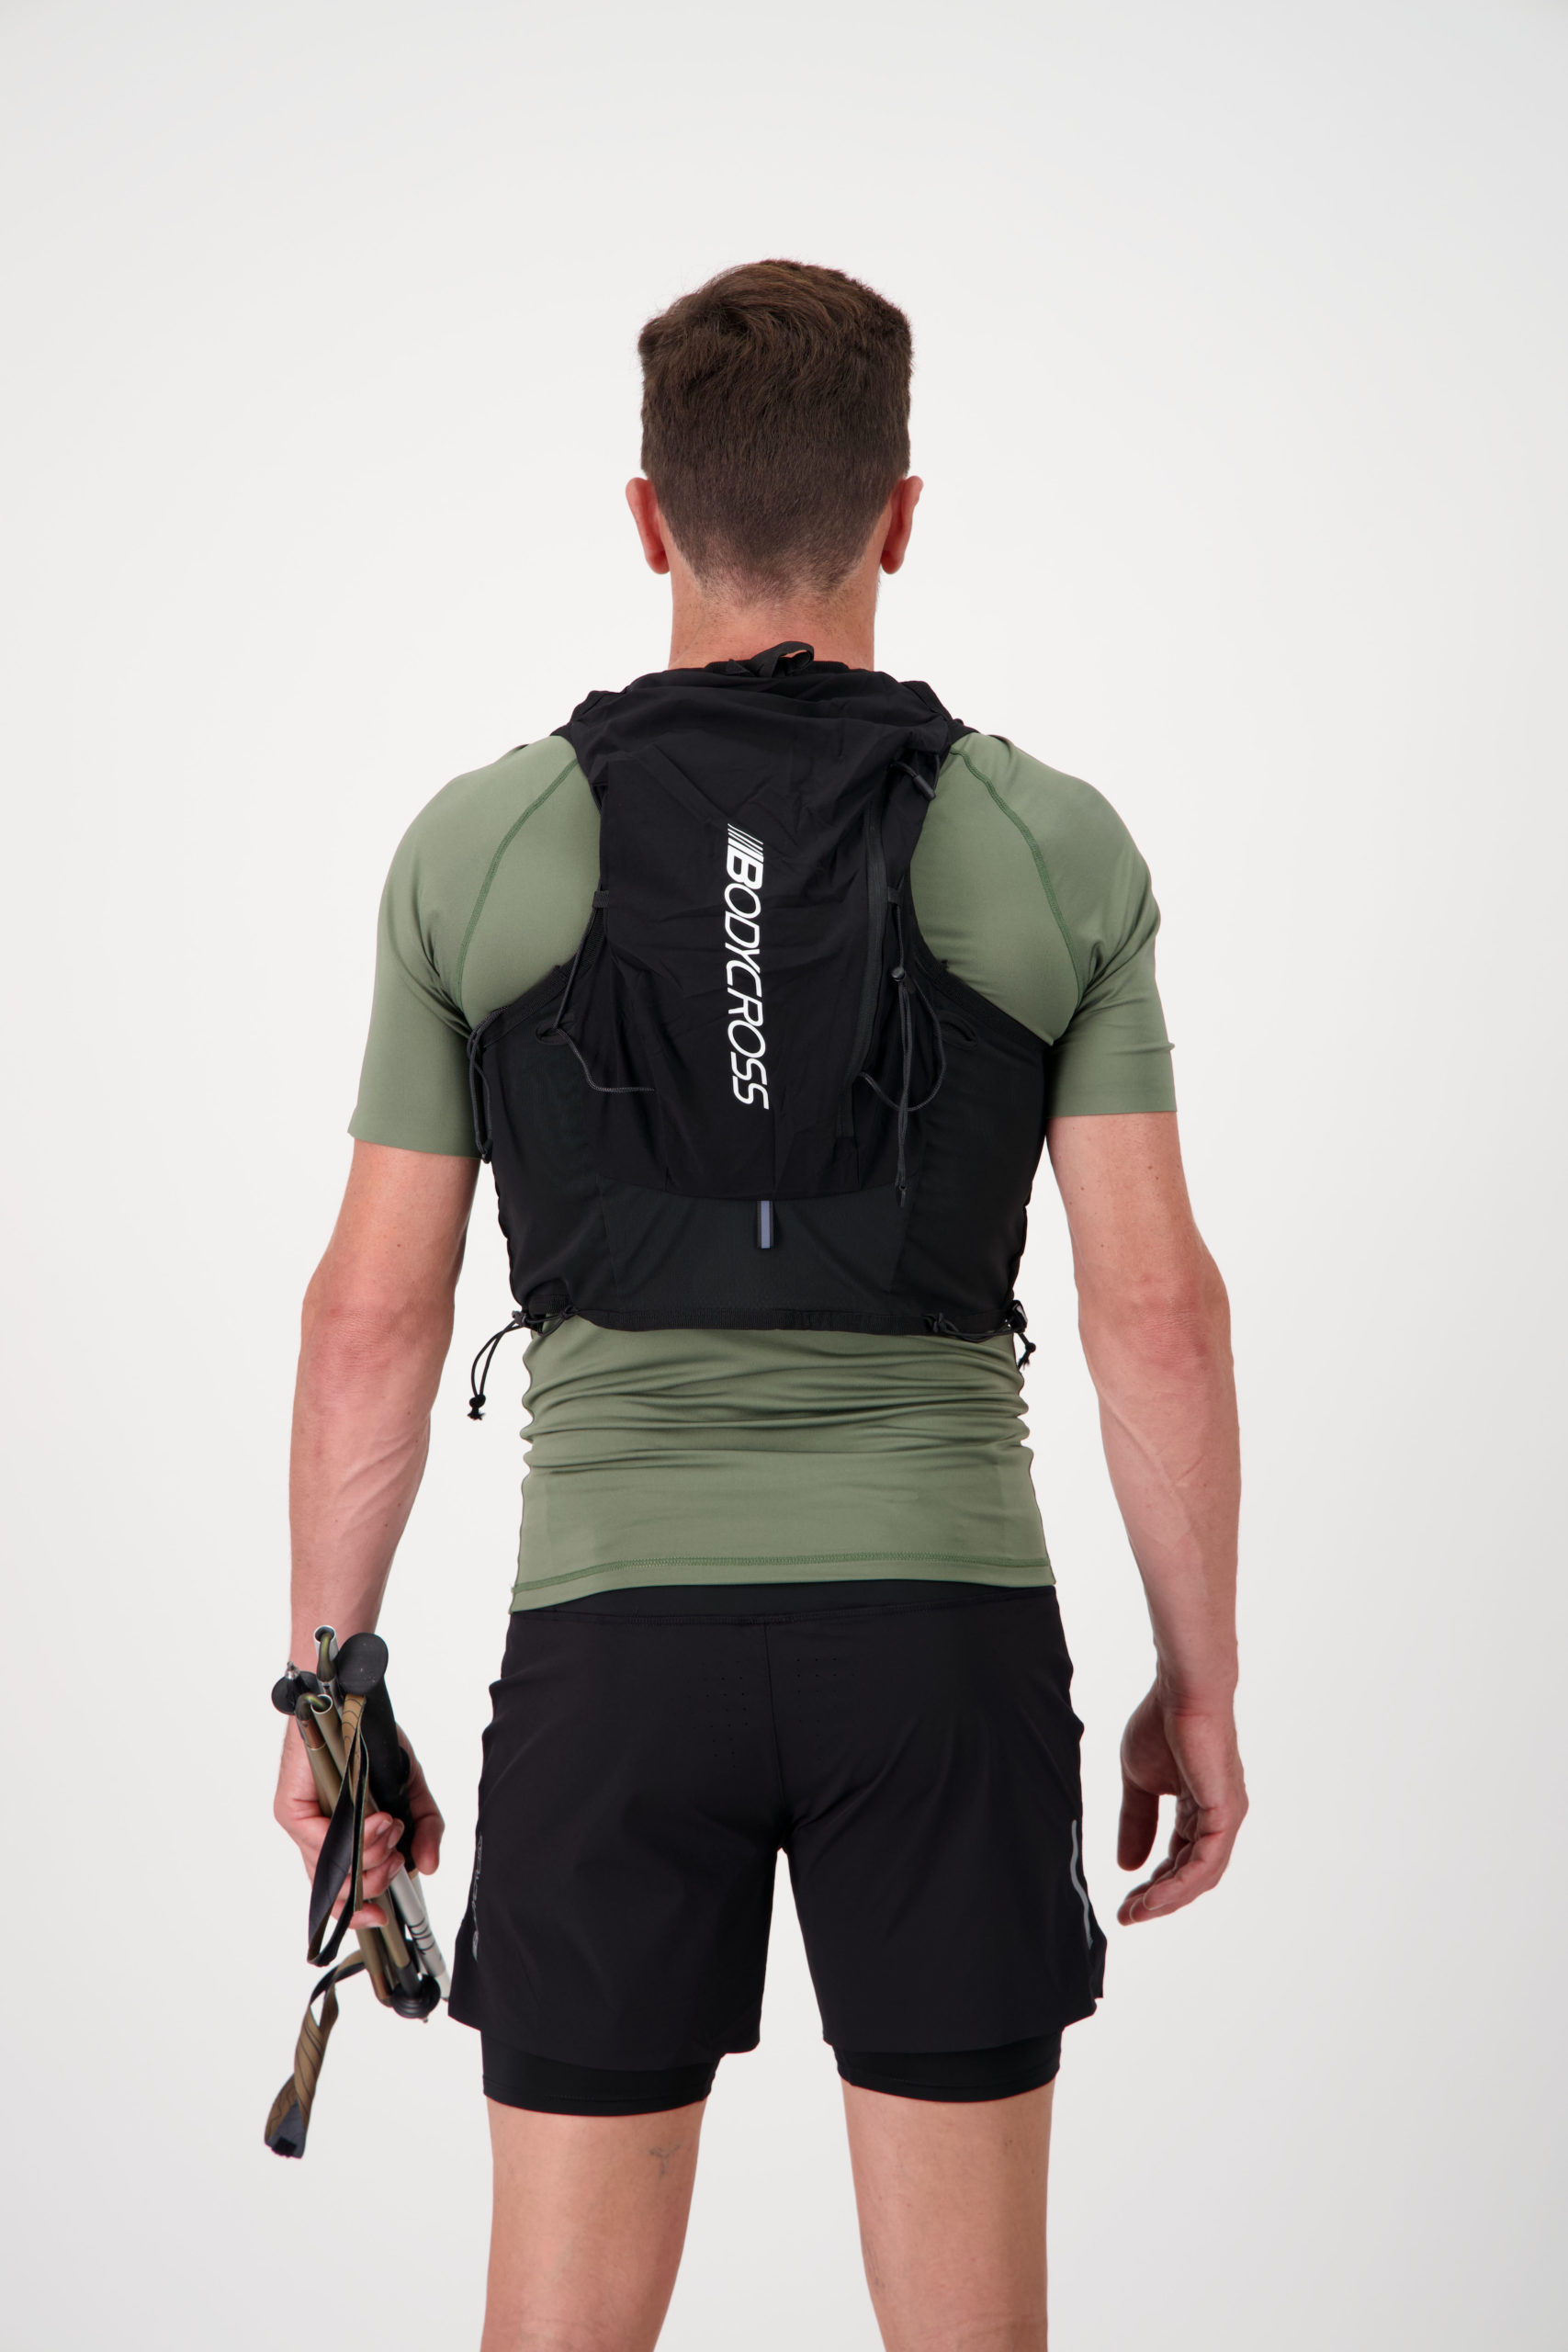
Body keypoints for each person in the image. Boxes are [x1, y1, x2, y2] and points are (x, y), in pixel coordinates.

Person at [275, 258, 1246, 2351]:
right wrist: (1199, 1678)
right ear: (901, 513)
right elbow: (1154, 1310)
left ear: (648, 518)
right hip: (945, 1648)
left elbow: (368, 1321)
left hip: (613, 1657)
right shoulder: (1050, 844)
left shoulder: (481, 846)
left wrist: (332, 1697)